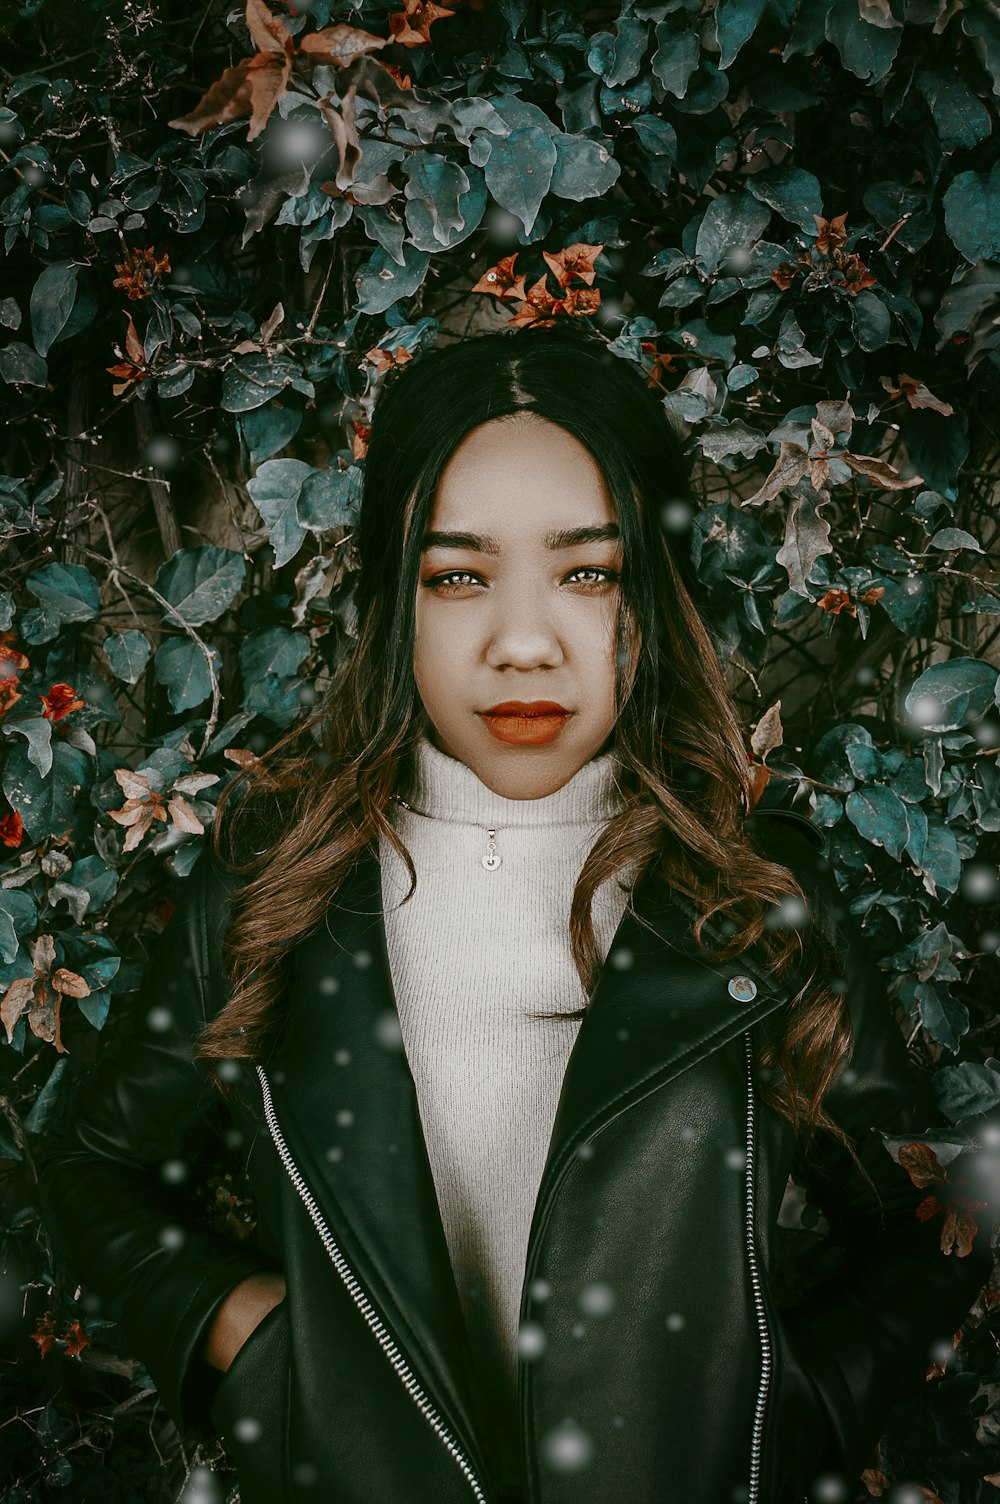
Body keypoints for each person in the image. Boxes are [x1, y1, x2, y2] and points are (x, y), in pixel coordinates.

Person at [34, 328, 996, 1504]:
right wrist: (250, 1337)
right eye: (459, 575)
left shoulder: (757, 904)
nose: (524, 642)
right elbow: (93, 1160)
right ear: (399, 599)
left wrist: (792, 1404)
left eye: (586, 572)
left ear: (649, 590)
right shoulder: (274, 888)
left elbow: (928, 1211)